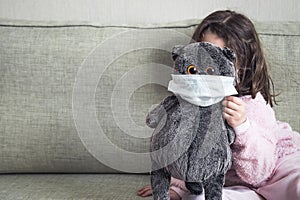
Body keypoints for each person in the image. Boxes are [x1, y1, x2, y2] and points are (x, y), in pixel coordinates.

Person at [137, 10, 300, 200]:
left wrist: (243, 126)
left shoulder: (253, 104)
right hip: (233, 184)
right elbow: (184, 151)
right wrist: (176, 187)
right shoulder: (187, 107)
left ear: (242, 64)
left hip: (277, 166)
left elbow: (259, 172)